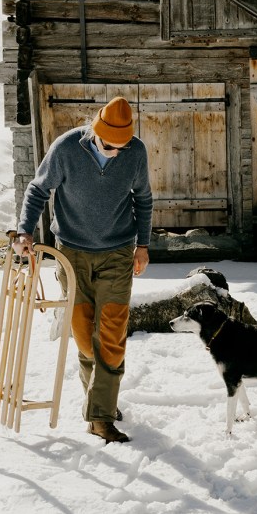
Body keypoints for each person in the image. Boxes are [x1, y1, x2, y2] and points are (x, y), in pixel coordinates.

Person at [12, 96, 153, 444]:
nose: (116, 152)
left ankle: (101, 416)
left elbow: (143, 198)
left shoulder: (135, 152)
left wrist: (143, 245)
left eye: (122, 146)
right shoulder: (67, 148)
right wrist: (25, 231)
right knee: (84, 334)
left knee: (111, 334)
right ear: (95, 134)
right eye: (110, 146)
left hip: (117, 254)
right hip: (71, 255)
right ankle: (99, 398)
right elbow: (38, 189)